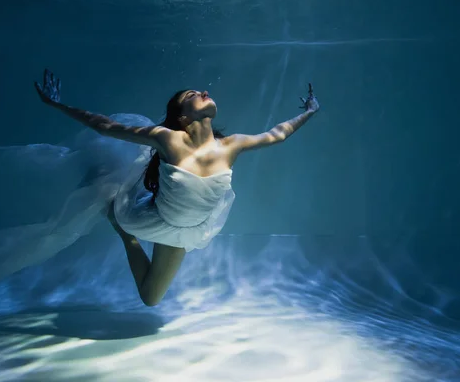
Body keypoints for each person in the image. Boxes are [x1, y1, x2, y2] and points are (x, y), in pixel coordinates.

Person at [35, 69, 321, 306]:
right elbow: (105, 126)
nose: (203, 92)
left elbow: (278, 134)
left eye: (201, 91)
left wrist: (310, 111)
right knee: (148, 285)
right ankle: (122, 224)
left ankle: (127, 237)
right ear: (183, 117)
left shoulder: (232, 144)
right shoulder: (169, 140)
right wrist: (56, 104)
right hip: (160, 218)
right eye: (192, 95)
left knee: (150, 298)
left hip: (190, 228)